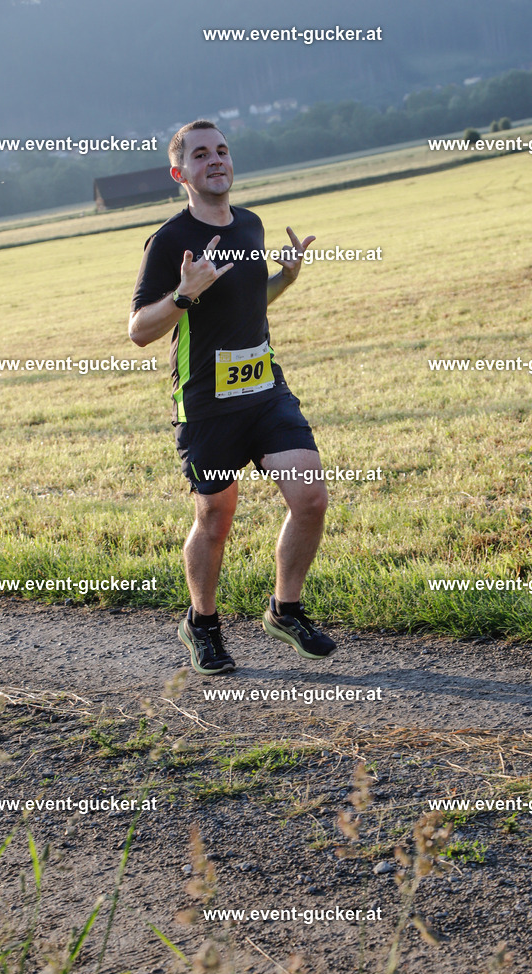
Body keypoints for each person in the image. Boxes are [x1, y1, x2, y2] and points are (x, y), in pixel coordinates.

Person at [128, 120, 336, 675]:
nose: (215, 160)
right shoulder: (170, 240)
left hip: (265, 390)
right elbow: (140, 329)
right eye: (201, 154)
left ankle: (284, 610)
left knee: (310, 497)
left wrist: (286, 278)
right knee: (216, 518)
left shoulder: (251, 224)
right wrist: (184, 293)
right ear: (181, 173)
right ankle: (202, 624)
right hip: (206, 404)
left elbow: (253, 300)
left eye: (221, 150)